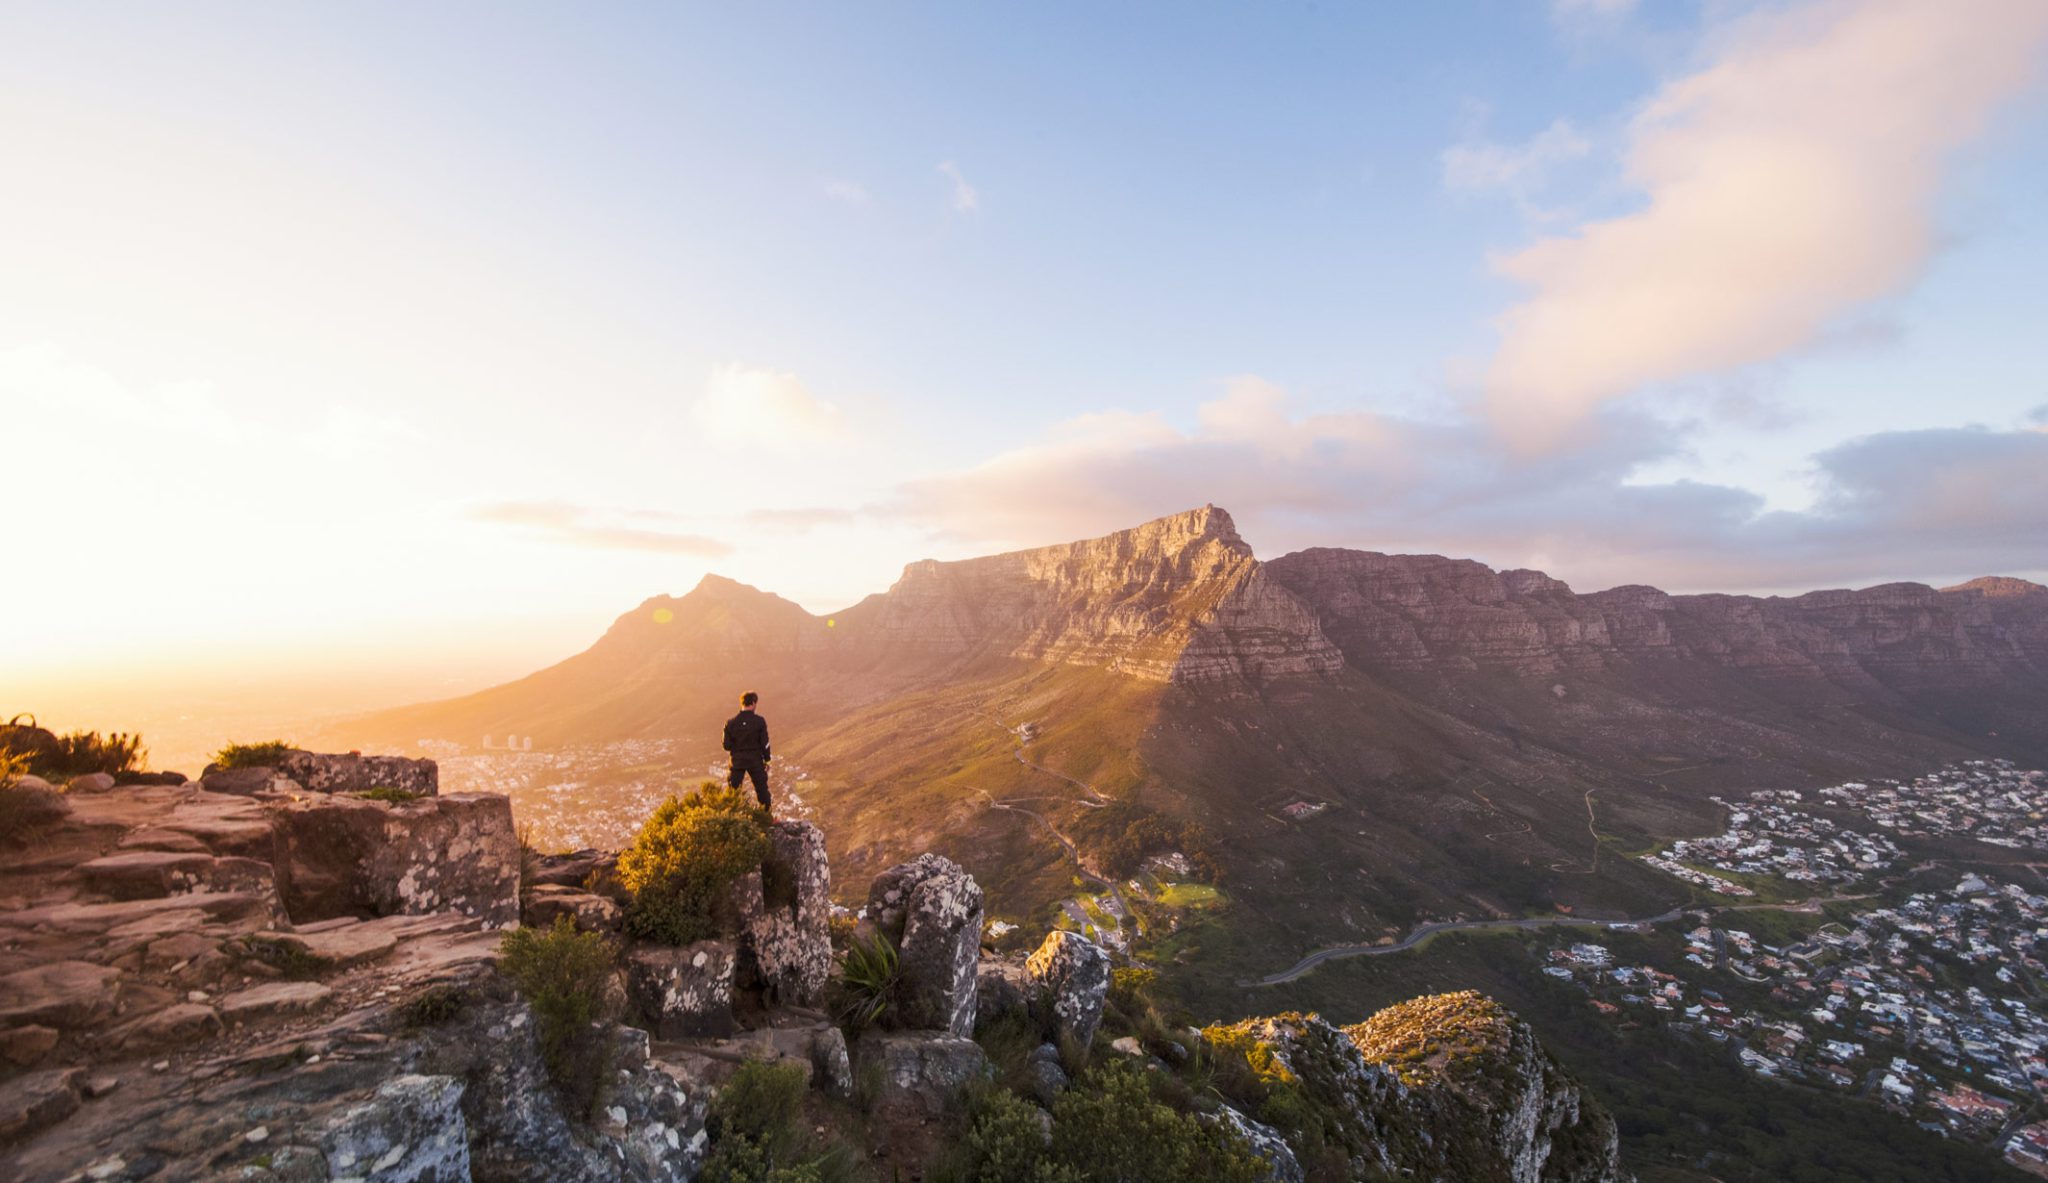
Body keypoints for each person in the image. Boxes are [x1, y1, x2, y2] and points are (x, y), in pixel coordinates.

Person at [722, 691, 772, 812]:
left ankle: (731, 816)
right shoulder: (759, 721)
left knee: (733, 790)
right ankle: (766, 815)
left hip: (737, 761)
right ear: (753, 703)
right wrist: (767, 760)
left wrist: (737, 748)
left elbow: (726, 745)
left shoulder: (731, 723)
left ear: (742, 703)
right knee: (762, 790)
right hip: (755, 761)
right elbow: (765, 744)